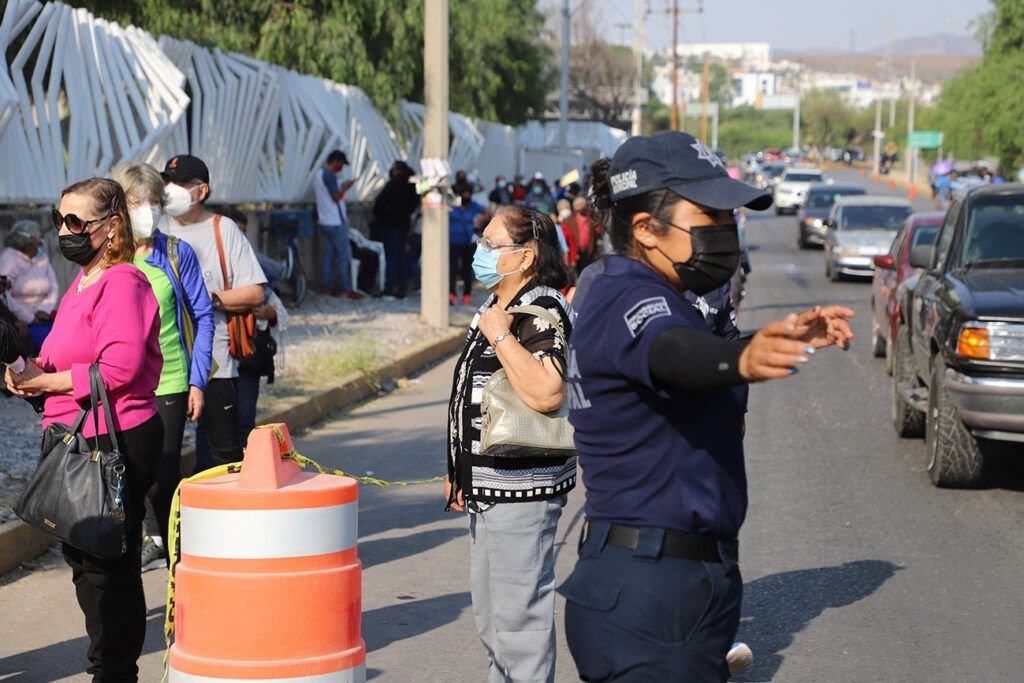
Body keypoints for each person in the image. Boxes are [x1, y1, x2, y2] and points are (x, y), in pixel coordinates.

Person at [560, 132, 855, 682]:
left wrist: (760, 343)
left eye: (729, 216)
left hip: (669, 583)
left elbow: (685, 350)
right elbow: (673, 351)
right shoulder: (631, 296)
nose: (726, 229)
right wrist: (741, 359)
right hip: (652, 591)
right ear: (646, 229)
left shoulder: (656, 294)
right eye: (709, 215)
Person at [6, 177, 164, 682]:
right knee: (80, 554)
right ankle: (108, 664)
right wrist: (28, 373)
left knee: (107, 564)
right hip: (72, 433)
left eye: (75, 221)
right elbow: (62, 359)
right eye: (59, 220)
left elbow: (118, 369)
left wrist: (45, 380)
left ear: (111, 225)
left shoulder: (123, 282)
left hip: (115, 436)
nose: (63, 231)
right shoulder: (81, 281)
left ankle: (115, 672)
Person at [445, 206, 575, 683]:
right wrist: (459, 470)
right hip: (487, 485)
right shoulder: (498, 306)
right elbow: (471, 396)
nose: (480, 251)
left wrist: (500, 334)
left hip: (523, 487)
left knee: (520, 620)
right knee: (492, 618)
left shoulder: (543, 308)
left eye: (492, 244)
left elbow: (547, 392)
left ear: (526, 255)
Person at [113, 162, 215, 572]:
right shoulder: (109, 256)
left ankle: (171, 551)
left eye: (154, 201)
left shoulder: (175, 253)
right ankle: (142, 540)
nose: (147, 210)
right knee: (128, 471)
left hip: (170, 380)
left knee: (164, 472)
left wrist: (198, 381)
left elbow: (203, 316)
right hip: (121, 383)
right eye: (137, 201)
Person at [160, 154, 266, 471]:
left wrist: (208, 300)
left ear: (202, 190)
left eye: (180, 183)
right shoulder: (154, 229)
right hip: (165, 363)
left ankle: (220, 500)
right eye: (167, 182)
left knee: (222, 452)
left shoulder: (224, 229)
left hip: (215, 362)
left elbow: (255, 292)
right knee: (162, 455)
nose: (170, 189)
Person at [0, 219, 59, 352]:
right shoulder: (9, 259)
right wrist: (30, 318)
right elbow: (5, 296)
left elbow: (54, 287)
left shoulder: (42, 257)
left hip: (44, 317)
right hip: (20, 320)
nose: (41, 242)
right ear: (28, 241)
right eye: (38, 238)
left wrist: (46, 309)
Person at [313, 150, 362, 299]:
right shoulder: (329, 175)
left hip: (324, 221)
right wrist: (345, 188)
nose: (341, 167)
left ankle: (327, 287)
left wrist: (342, 185)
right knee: (343, 256)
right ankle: (346, 288)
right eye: (341, 164)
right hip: (335, 222)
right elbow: (335, 197)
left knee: (328, 256)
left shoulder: (319, 175)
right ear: (335, 161)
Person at [370, 160, 419, 299]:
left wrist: (386, 214)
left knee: (391, 259)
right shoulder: (411, 188)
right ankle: (402, 289)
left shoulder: (392, 186)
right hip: (404, 226)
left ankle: (389, 290)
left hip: (390, 227)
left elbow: (378, 206)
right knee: (401, 258)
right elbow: (412, 207)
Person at [449, 186, 486, 305]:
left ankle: (467, 294)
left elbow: (487, 212)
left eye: (468, 194)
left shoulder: (474, 206)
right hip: (453, 242)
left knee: (467, 270)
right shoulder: (453, 206)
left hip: (467, 242)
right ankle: (452, 293)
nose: (466, 196)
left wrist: (479, 222)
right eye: (464, 194)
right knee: (452, 269)